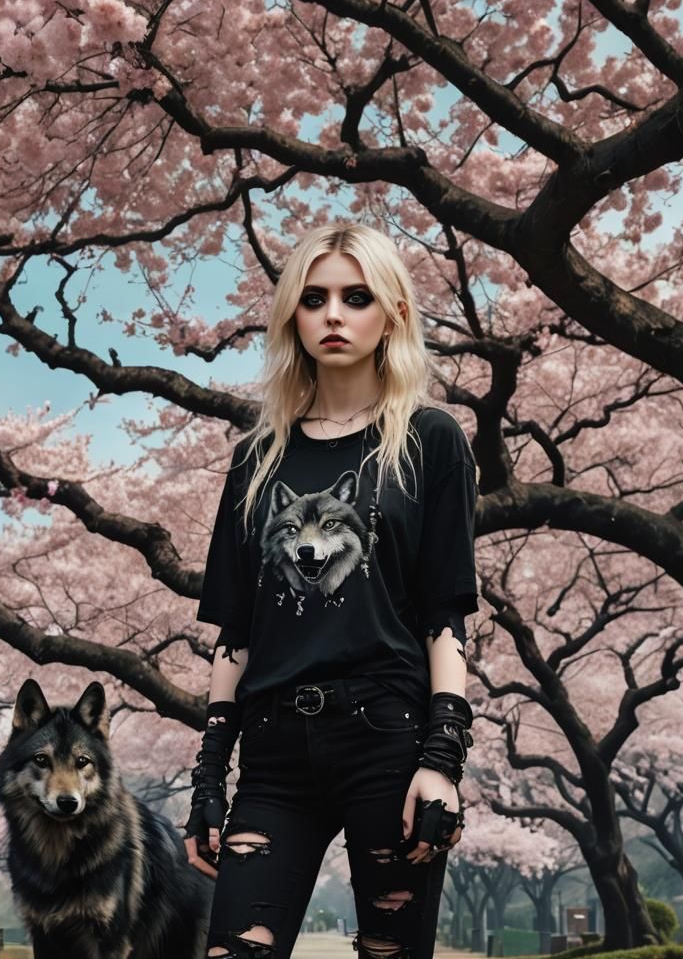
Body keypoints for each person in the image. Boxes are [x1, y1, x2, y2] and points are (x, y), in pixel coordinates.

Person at [183, 223, 479, 959]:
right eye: (314, 299)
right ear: (292, 317)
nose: (334, 315)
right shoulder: (258, 457)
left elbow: (445, 617)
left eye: (356, 296)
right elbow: (237, 631)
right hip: (275, 751)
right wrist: (209, 775)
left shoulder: (430, 441)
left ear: (394, 314)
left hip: (388, 737)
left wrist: (442, 760)